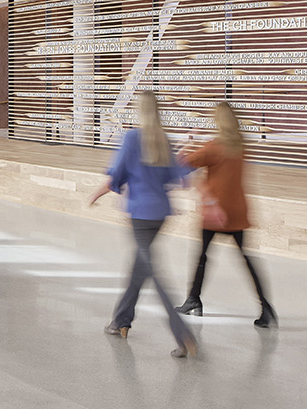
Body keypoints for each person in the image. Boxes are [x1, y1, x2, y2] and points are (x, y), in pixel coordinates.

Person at [89, 91, 197, 357]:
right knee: (139, 267)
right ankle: (120, 322)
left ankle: (182, 334)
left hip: (140, 214)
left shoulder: (133, 137)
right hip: (159, 214)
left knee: (153, 272)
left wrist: (96, 194)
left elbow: (117, 174)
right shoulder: (164, 139)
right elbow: (181, 179)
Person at [179, 101, 276, 327]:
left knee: (202, 256)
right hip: (238, 211)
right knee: (246, 260)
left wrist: (188, 139)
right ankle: (266, 307)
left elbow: (182, 164)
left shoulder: (214, 147)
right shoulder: (240, 146)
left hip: (215, 211)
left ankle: (193, 300)